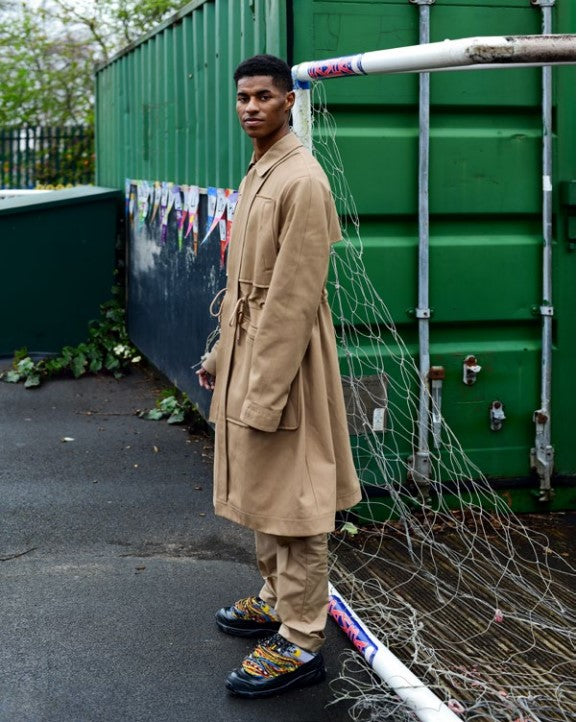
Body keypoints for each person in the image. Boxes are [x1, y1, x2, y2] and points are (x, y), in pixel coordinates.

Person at [196, 54, 361, 699]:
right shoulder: (262, 167)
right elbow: (244, 285)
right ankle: (274, 595)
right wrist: (219, 356)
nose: (251, 107)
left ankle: (300, 639)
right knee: (264, 488)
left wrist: (261, 393)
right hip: (249, 350)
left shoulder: (304, 180)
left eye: (264, 97)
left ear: (291, 100)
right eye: (243, 97)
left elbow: (291, 303)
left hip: (284, 364)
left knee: (296, 502)